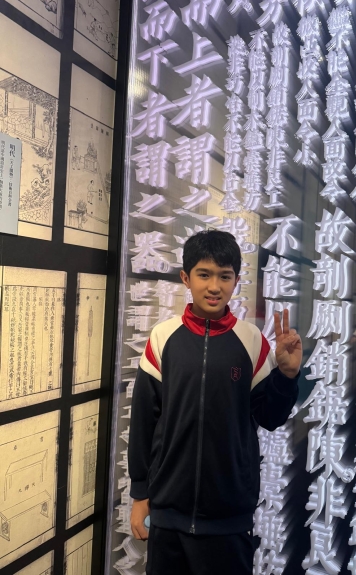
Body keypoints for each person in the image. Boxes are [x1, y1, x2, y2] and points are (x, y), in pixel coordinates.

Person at [129, 230, 302, 575]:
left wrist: (286, 376)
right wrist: (140, 493)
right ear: (186, 278)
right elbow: (145, 420)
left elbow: (270, 417)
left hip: (230, 520)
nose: (214, 286)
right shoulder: (164, 337)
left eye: (224, 276)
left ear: (236, 281)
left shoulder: (251, 341)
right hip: (168, 517)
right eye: (204, 274)